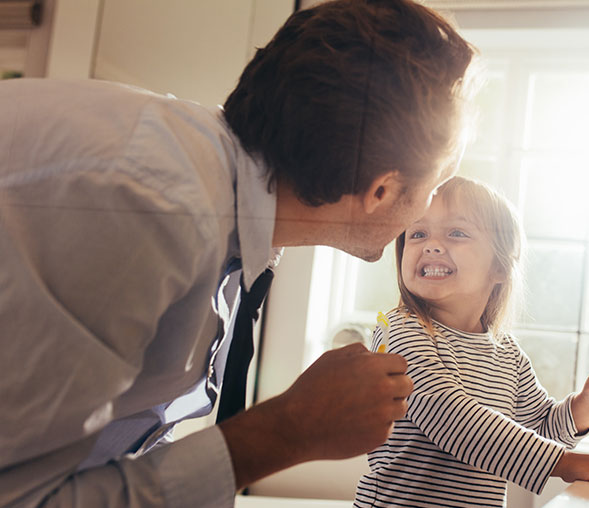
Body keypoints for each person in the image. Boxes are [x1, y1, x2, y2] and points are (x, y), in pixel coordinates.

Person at [0, 1, 476, 506]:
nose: (427, 211)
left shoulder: (224, 210)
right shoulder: (152, 209)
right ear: (381, 190)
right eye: (435, 185)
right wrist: (288, 431)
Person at [354, 177, 589, 507]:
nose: (431, 245)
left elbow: (542, 429)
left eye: (456, 233)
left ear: (499, 266)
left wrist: (586, 404)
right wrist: (561, 463)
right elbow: (450, 417)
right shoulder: (401, 331)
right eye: (417, 233)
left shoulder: (508, 354)